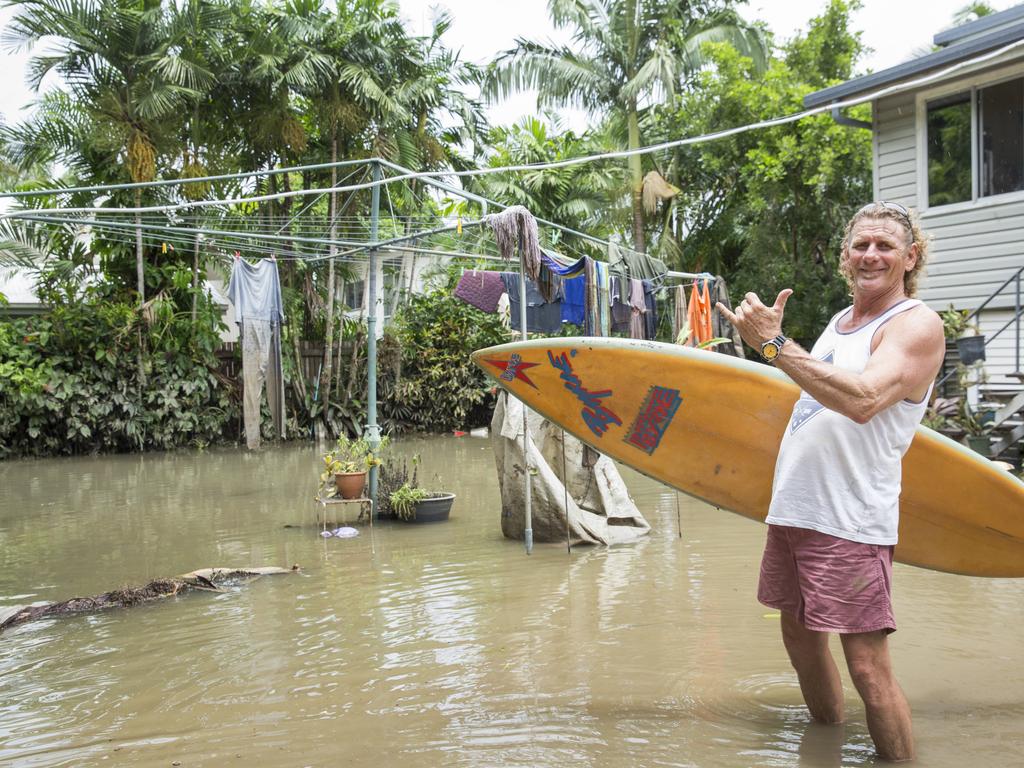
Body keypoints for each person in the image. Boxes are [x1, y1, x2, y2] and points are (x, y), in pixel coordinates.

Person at [716, 201, 946, 762]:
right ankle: (827, 745)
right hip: (796, 511)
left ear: (910, 257)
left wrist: (772, 344)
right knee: (798, 638)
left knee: (866, 666)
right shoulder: (839, 324)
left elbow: (864, 400)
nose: (871, 254)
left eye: (886, 246)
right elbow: (812, 402)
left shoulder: (916, 324)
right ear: (845, 256)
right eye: (861, 244)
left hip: (850, 520)